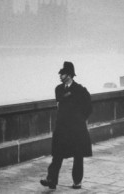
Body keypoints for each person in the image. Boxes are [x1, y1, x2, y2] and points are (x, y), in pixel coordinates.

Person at [40, 61, 92, 190]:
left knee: (78, 155)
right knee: (57, 154)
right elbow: (61, 100)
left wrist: (80, 119)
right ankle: (51, 180)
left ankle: (77, 182)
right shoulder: (59, 89)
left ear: (69, 75)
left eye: (62, 74)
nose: (60, 76)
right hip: (62, 128)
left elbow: (89, 107)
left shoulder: (81, 90)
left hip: (76, 129)